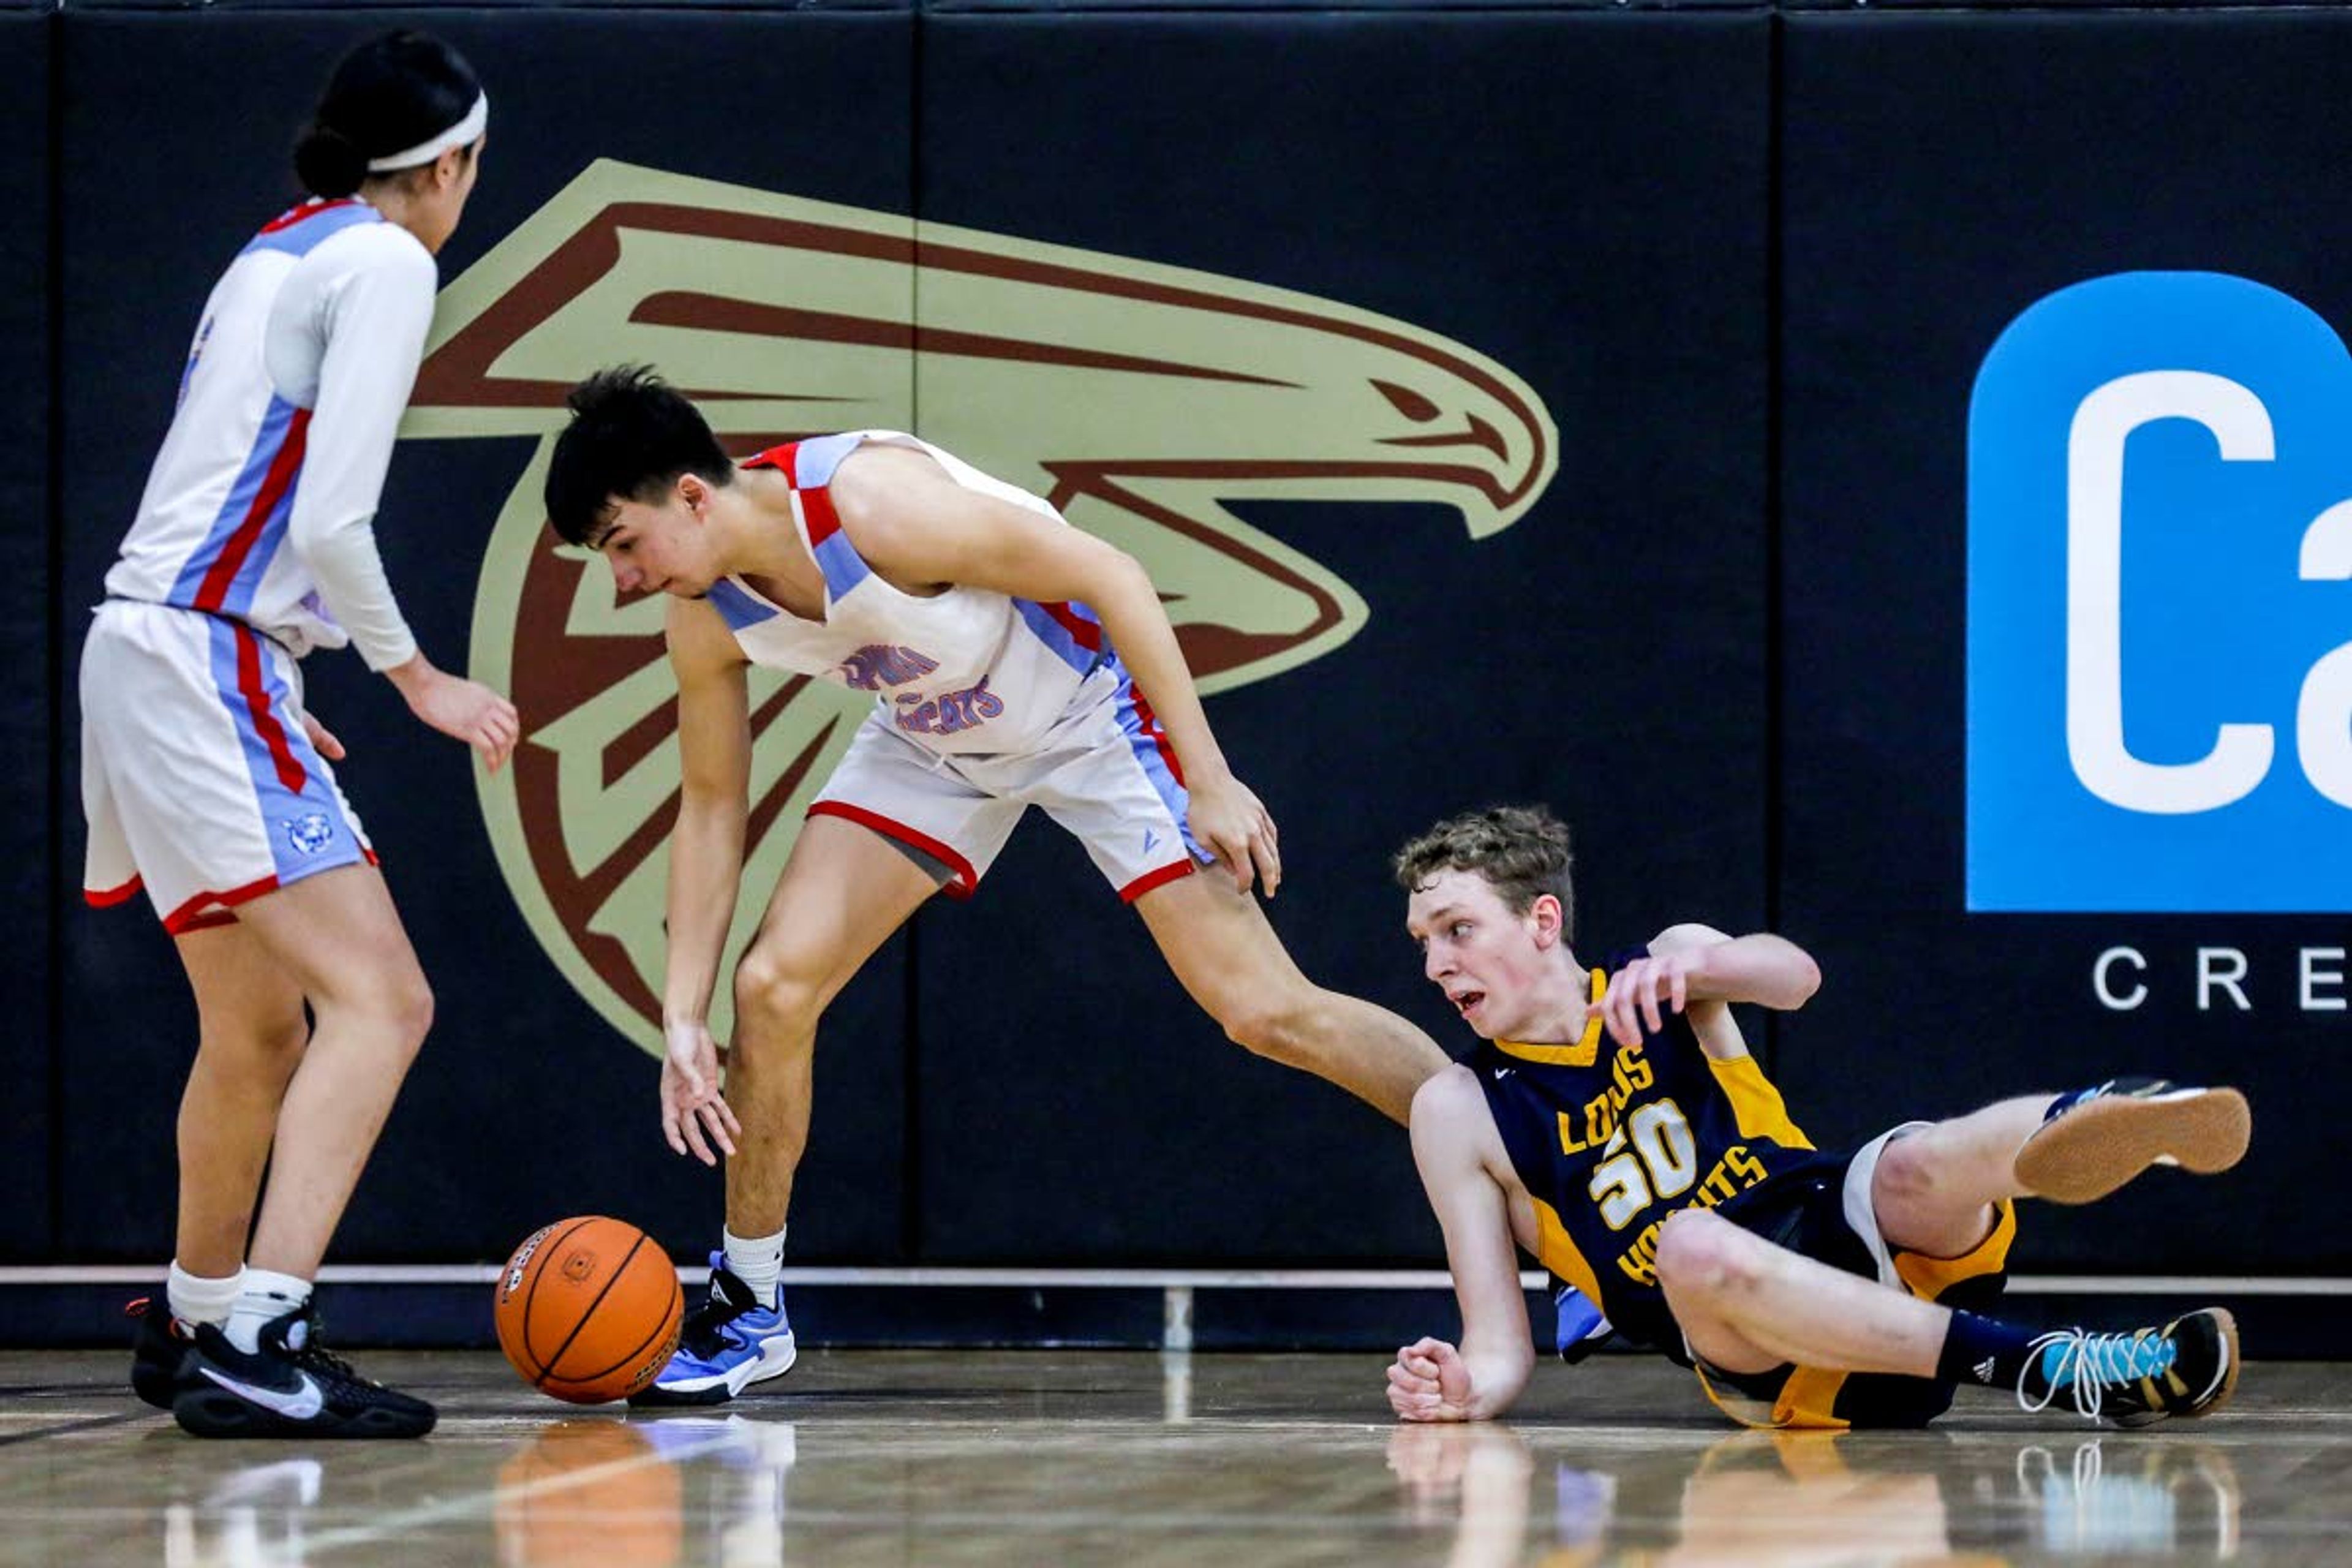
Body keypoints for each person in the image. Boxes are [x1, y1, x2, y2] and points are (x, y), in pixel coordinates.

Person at [540, 368, 1452, 1404]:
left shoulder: (875, 505)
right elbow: (710, 807)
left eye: (622, 543)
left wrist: (1209, 779)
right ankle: (750, 1308)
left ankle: (1532, 1171)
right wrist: (680, 1014)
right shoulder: (706, 613)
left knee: (1267, 1014)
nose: (621, 579)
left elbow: (1112, 571)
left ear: (692, 497)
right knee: (771, 989)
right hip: (931, 741)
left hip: (1084, 716)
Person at [84, 31, 519, 1437]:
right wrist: (415, 678)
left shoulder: (275, 246)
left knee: (257, 1021)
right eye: (476, 166)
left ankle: (199, 1312)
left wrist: (269, 677)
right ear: (446, 164)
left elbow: (232, 491)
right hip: (201, 657)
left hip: (157, 647)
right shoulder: (391, 259)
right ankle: (266, 1327)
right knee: (385, 1001)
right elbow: (331, 518)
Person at [1381, 804, 2253, 1430]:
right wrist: (1462, 1387)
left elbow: (1795, 978)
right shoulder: (1458, 1107)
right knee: (1690, 1242)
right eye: (1424, 942)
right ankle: (2059, 1364)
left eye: (1456, 930)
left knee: (1910, 1156)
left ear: (1543, 920)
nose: (1435, 965)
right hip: (1763, 1350)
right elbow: (1497, 1342)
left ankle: (2102, 1113)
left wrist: (1702, 971)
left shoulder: (1667, 967)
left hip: (1847, 1232)